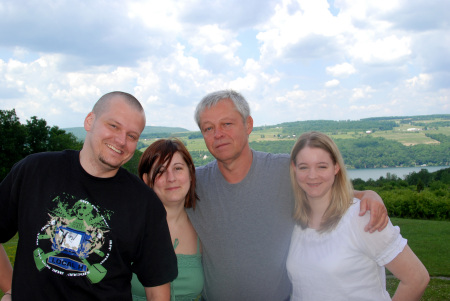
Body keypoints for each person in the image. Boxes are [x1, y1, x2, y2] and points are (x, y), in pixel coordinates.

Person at [187, 89, 390, 300]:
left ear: (248, 125)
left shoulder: (283, 170)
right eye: (208, 128)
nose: (218, 134)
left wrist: (367, 194)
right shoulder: (193, 185)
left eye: (227, 124)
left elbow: (323, 188)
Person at [0, 91, 177, 301]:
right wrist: (12, 289)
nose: (121, 140)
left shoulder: (144, 203)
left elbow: (157, 289)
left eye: (132, 136)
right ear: (89, 121)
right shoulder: (33, 171)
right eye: (113, 126)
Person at [286, 131, 429, 300]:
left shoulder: (362, 217)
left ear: (336, 168)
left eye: (322, 166)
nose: (312, 175)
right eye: (304, 167)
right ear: (294, 169)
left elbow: (417, 278)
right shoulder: (292, 219)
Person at [131, 139, 204, 301]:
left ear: (191, 173)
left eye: (178, 168)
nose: (171, 178)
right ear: (146, 180)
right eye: (160, 171)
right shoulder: (130, 228)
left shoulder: (203, 227)